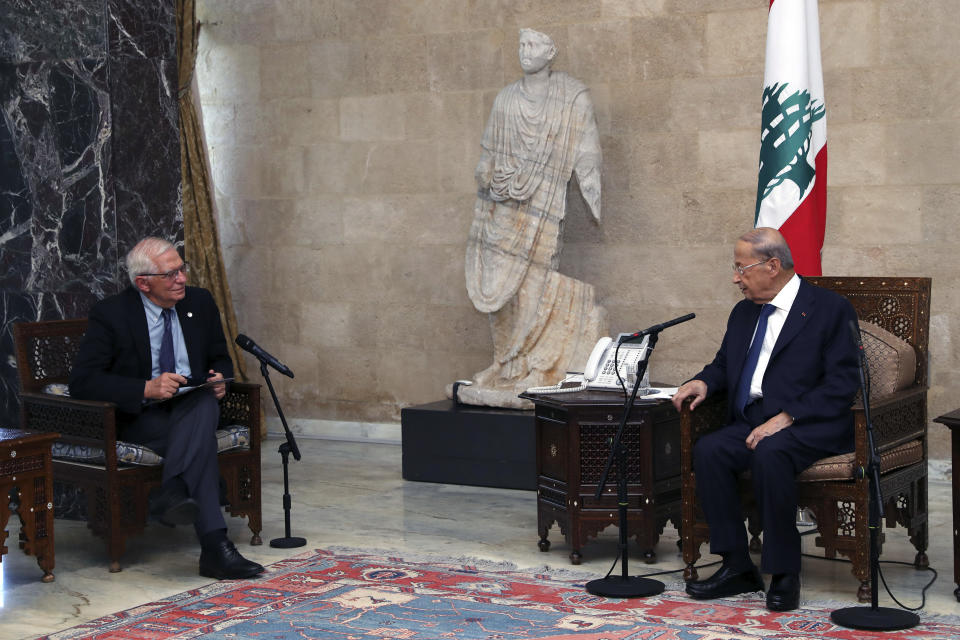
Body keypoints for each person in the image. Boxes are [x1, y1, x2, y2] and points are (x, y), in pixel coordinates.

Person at [671, 227, 859, 611]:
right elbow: (724, 364)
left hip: (810, 422)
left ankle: (785, 572)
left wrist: (789, 416)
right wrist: (703, 382)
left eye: (742, 268)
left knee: (770, 453)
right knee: (710, 450)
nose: (735, 278)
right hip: (753, 418)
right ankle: (737, 565)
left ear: (772, 266)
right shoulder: (744, 312)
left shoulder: (828, 308)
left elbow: (843, 382)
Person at [69, 237, 264, 580]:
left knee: (202, 402)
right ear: (143, 283)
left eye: (182, 269)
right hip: (143, 416)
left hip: (196, 402)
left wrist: (222, 377)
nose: (182, 279)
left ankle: (173, 491)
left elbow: (220, 355)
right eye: (171, 273)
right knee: (199, 438)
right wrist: (145, 388)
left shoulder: (199, 302)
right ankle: (215, 549)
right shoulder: (112, 314)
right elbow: (83, 382)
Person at [461, 28, 606, 407]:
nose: (526, 52)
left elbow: (587, 140)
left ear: (551, 51)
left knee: (536, 280)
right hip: (504, 200)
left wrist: (589, 176)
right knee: (502, 282)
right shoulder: (506, 98)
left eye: (534, 45)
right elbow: (489, 150)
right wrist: (485, 172)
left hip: (543, 199)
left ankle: (537, 363)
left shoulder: (571, 94)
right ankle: (506, 363)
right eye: (521, 45)